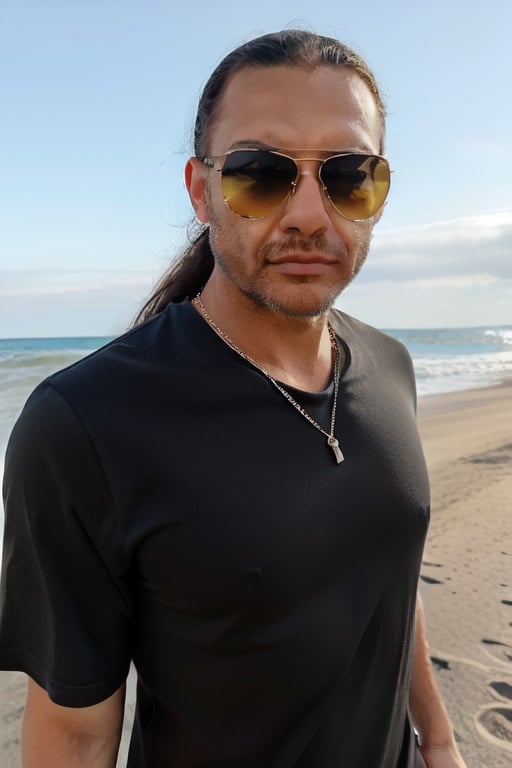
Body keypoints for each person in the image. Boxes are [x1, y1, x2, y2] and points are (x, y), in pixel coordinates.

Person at [0, 29, 466, 768]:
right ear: (200, 189)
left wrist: (438, 742)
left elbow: (389, 581)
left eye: (349, 176)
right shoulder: (86, 426)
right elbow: (76, 733)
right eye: (260, 173)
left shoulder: (392, 366)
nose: (311, 214)